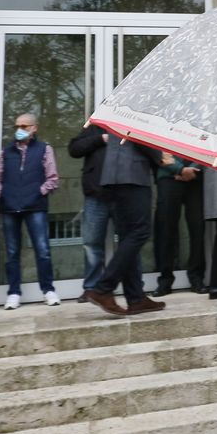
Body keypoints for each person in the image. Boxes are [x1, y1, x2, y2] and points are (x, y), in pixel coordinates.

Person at [80, 134, 164, 317]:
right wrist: (161, 155)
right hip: (131, 175)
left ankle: (136, 298)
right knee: (140, 232)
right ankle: (103, 288)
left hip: (113, 177)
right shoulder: (141, 106)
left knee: (128, 236)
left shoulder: (120, 108)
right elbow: (140, 136)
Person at [0, 113, 59, 309]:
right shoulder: (7, 151)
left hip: (35, 206)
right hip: (10, 208)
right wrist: (4, 194)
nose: (20, 129)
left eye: (25, 126)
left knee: (42, 250)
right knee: (12, 252)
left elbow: (52, 178)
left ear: (34, 128)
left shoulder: (44, 149)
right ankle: (13, 293)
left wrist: (38, 193)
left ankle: (48, 290)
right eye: (17, 126)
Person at [67, 124, 112, 293]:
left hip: (123, 194)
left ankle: (133, 287)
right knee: (92, 243)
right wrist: (100, 139)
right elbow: (74, 149)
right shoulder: (95, 128)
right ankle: (92, 288)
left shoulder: (129, 127)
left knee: (129, 242)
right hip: (96, 194)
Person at [154, 151, 204, 296]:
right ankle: (165, 280)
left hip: (195, 176)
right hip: (167, 176)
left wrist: (193, 169)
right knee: (166, 230)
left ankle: (196, 278)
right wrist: (179, 170)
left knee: (197, 229)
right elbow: (157, 148)